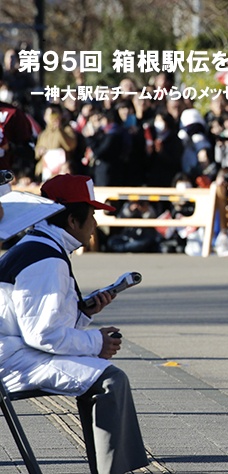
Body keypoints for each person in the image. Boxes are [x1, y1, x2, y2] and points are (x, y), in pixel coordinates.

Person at [0, 174, 149, 474]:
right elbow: (43, 334)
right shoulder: (47, 260)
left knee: (100, 376)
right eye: (92, 215)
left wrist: (84, 311)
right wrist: (97, 343)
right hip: (12, 359)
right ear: (72, 220)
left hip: (14, 350)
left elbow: (39, 320)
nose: (95, 224)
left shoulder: (37, 246)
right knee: (110, 381)